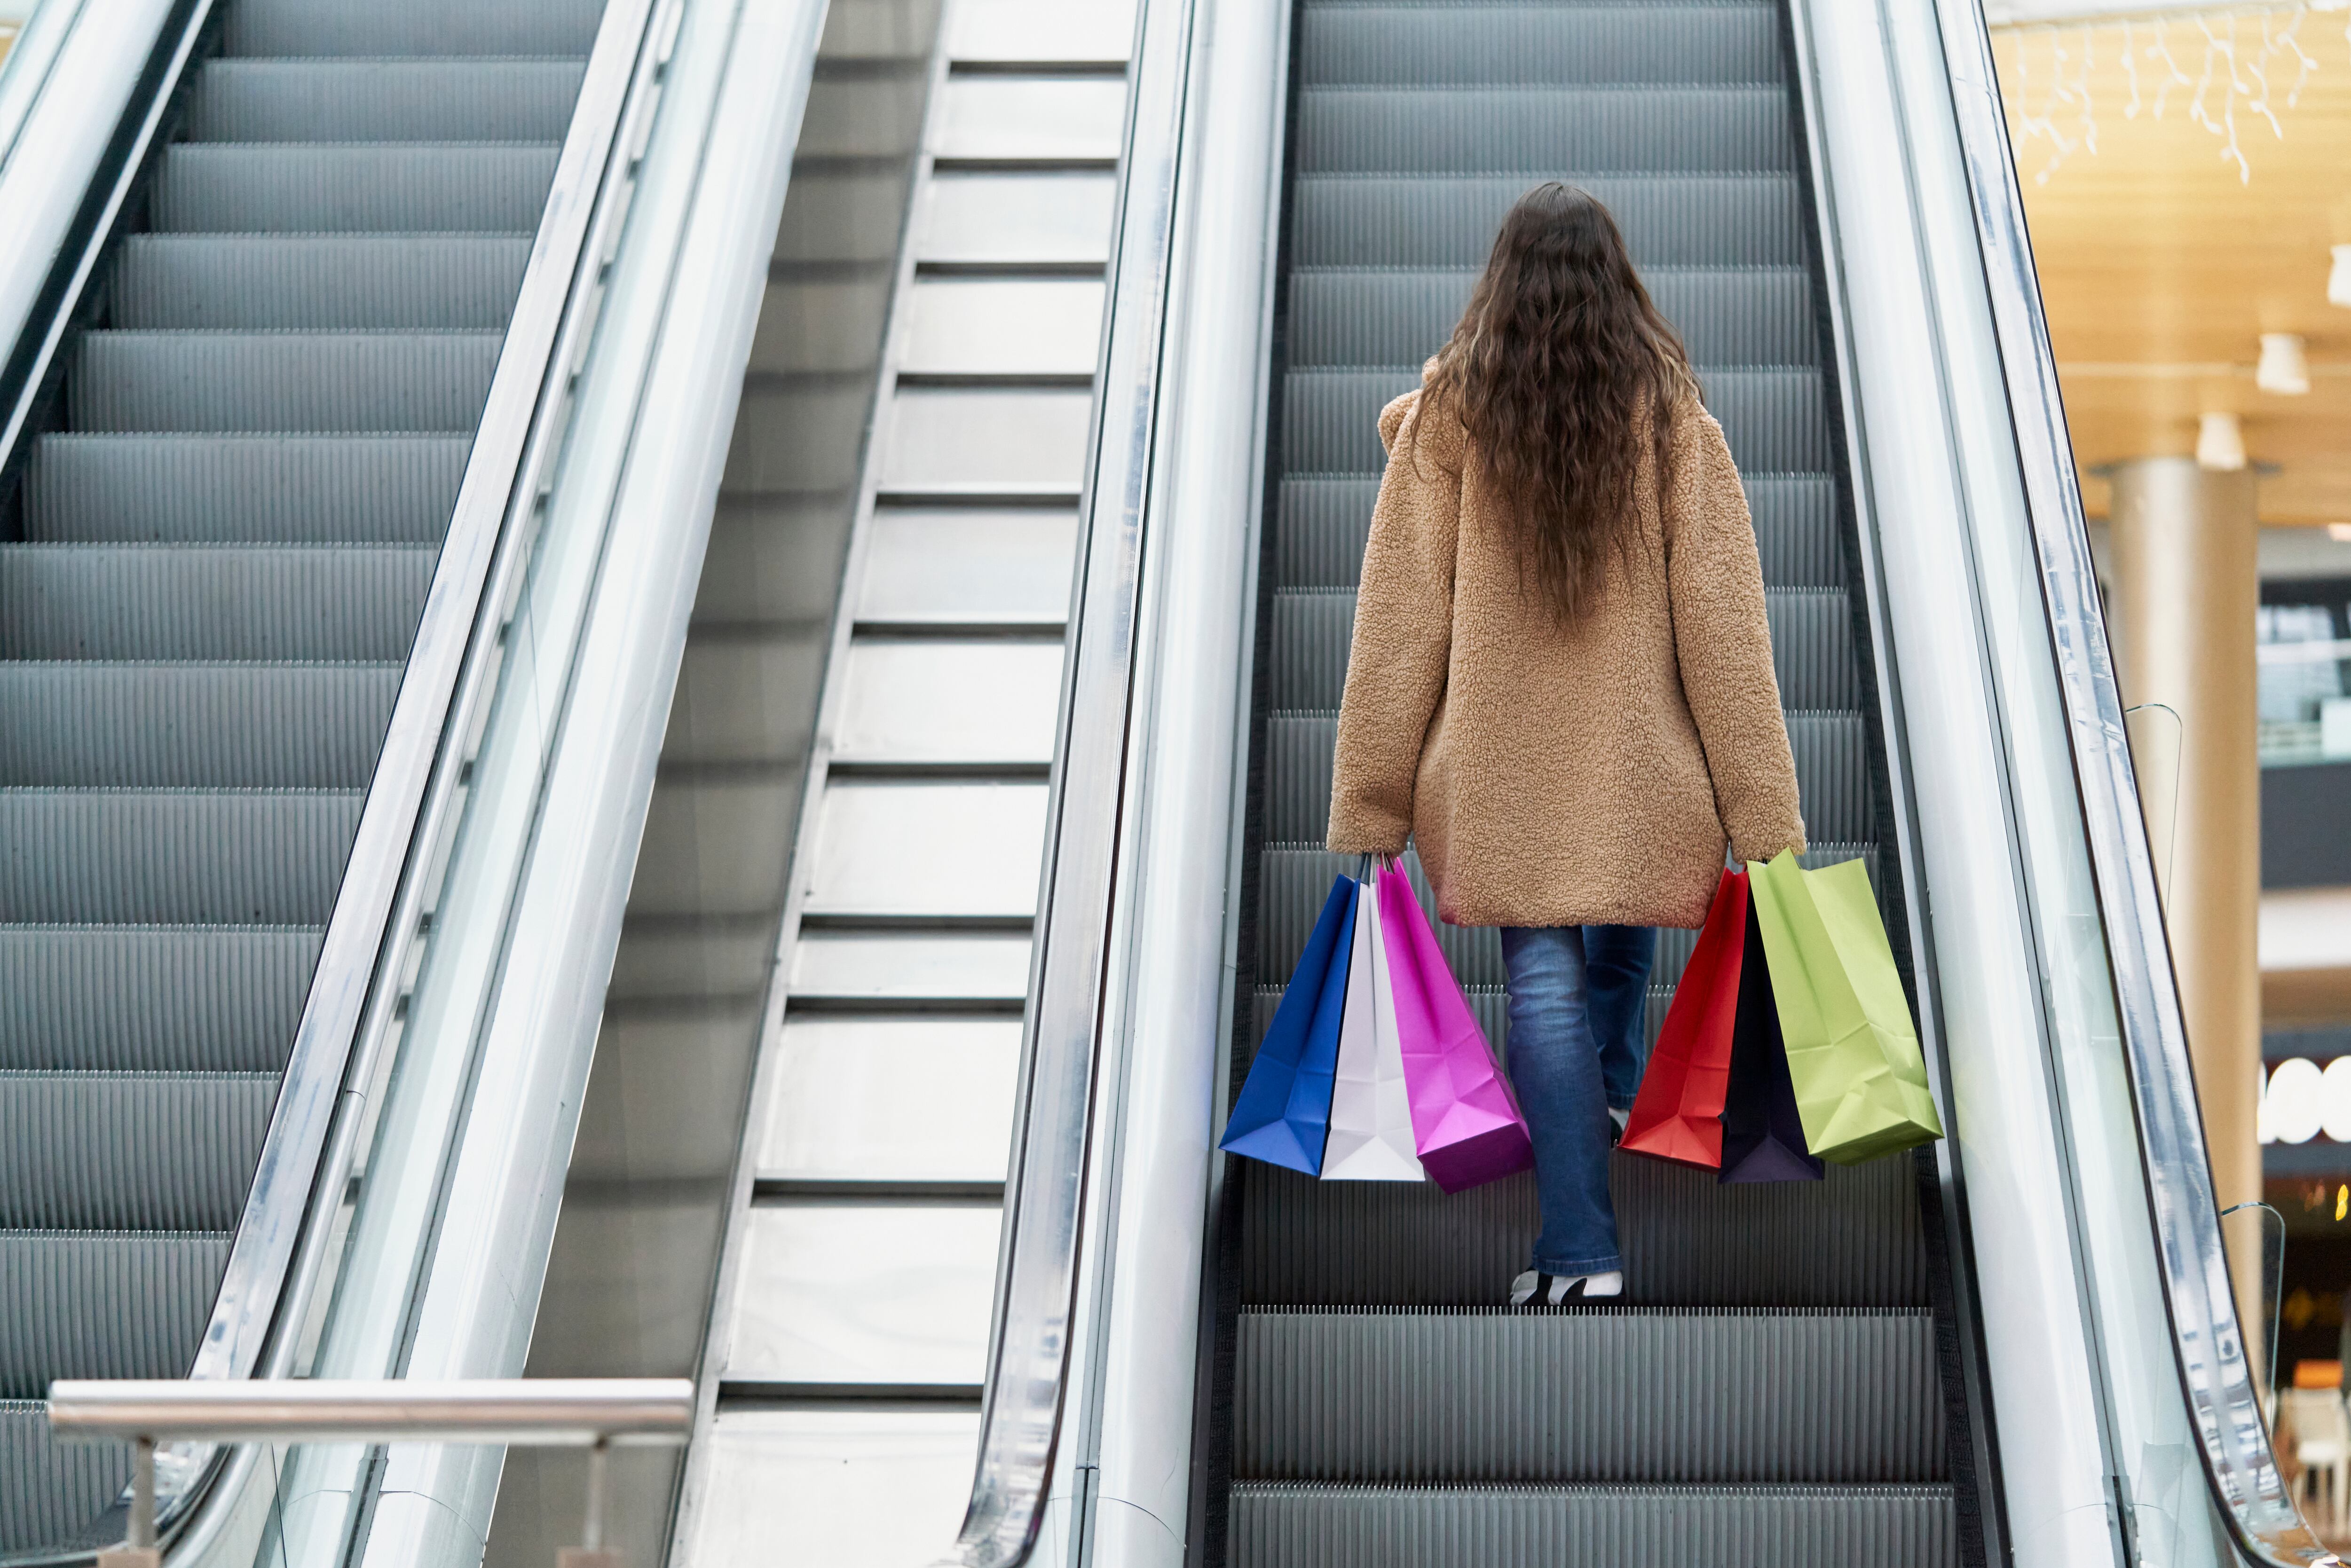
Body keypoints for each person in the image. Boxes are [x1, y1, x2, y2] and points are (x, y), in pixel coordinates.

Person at [1324, 183, 1806, 1307]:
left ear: (1499, 284)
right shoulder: (1672, 418)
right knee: (1622, 916)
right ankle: (1598, 1094)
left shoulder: (1450, 419)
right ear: (1617, 284)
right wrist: (1759, 805)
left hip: (1501, 769)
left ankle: (1581, 1250)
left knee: (1542, 984)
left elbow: (1400, 619)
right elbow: (1724, 627)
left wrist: (1374, 796)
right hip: (1644, 763)